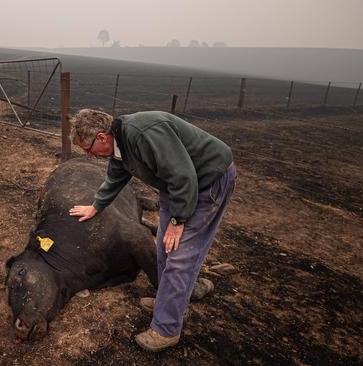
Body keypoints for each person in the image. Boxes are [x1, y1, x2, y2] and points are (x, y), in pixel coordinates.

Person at [68, 109, 237, 352]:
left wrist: (179, 222)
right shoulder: (120, 145)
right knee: (164, 247)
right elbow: (116, 175)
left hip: (206, 181)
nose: (88, 155)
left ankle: (167, 329)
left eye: (87, 148)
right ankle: (169, 302)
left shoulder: (144, 134)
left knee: (180, 255)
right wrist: (96, 206)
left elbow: (184, 175)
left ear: (102, 137)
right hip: (176, 187)